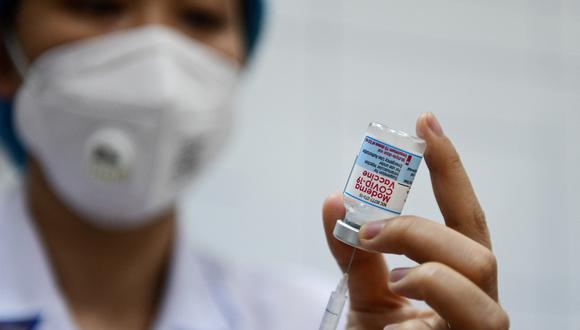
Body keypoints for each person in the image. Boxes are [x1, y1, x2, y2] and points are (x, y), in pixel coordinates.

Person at [0, 1, 509, 329]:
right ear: (6, 53)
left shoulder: (313, 317)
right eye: (99, 4)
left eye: (199, 18)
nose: (159, 70)